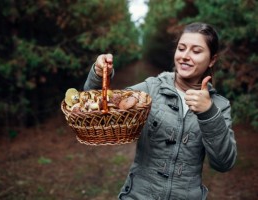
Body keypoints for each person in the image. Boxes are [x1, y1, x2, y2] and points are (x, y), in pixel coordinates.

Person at [83, 22, 237, 200]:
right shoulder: (152, 88)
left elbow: (224, 163)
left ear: (212, 59)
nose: (185, 56)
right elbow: (94, 109)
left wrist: (208, 113)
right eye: (181, 48)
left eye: (196, 51)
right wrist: (98, 73)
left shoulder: (219, 106)